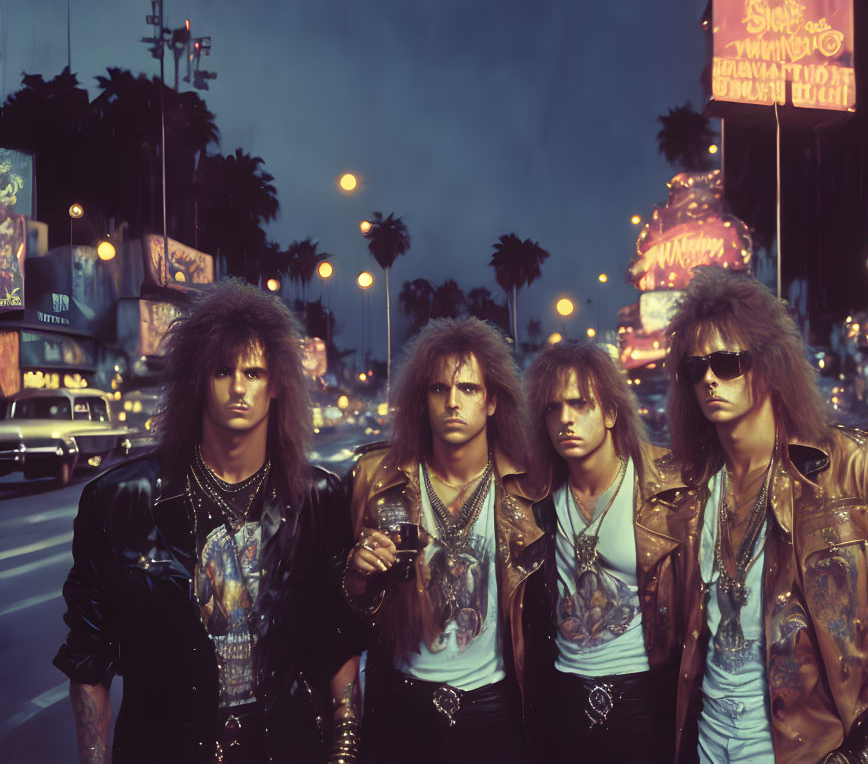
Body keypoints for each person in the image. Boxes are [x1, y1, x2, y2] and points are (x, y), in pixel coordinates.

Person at [54, 280, 360, 764]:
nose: (238, 387)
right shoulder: (119, 499)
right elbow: (90, 656)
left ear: (276, 384)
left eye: (254, 372)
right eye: (223, 371)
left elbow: (337, 640)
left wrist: (345, 749)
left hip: (284, 746)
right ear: (197, 378)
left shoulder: (317, 498)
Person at [668, 267, 868, 764]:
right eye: (696, 368)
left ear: (770, 364)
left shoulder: (859, 467)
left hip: (818, 751)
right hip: (708, 748)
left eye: (728, 361)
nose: (709, 377)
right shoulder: (689, 491)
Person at [343, 317, 549, 763]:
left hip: (496, 709)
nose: (453, 402)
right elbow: (347, 619)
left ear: (492, 401)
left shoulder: (527, 488)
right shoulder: (375, 480)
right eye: (439, 389)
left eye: (469, 389)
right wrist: (357, 577)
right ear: (423, 400)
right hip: (404, 708)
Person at [523, 340, 701, 764]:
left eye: (579, 403)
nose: (565, 418)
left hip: (642, 694)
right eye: (552, 407)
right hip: (563, 695)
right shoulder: (536, 497)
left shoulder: (662, 490)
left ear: (609, 413)